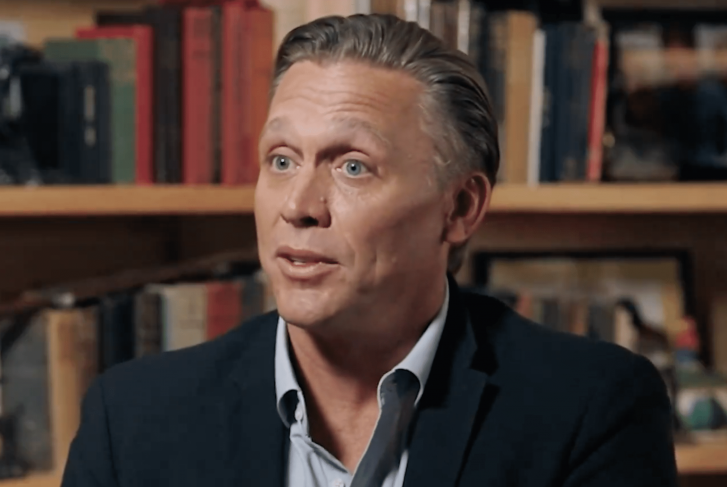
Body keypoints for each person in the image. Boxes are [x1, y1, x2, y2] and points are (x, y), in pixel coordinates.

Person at [61, 14, 678, 487]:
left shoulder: (591, 410)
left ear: (460, 208)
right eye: (281, 160)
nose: (298, 205)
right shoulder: (132, 420)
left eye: (352, 166)